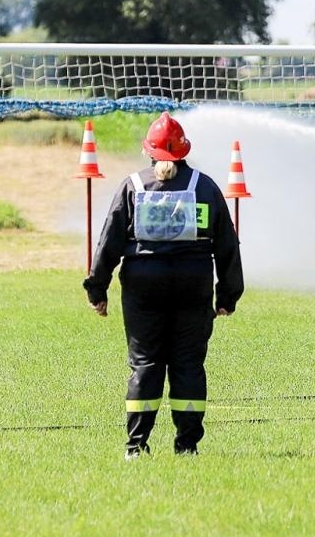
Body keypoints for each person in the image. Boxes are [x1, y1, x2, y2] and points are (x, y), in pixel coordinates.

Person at [83, 113, 243, 459]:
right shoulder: (205, 187)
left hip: (143, 285)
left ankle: (136, 447)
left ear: (149, 152)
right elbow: (227, 244)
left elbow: (108, 242)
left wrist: (97, 289)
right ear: (184, 150)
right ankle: (187, 446)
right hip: (193, 283)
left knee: (145, 364)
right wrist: (228, 294)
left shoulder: (133, 186)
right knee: (187, 364)